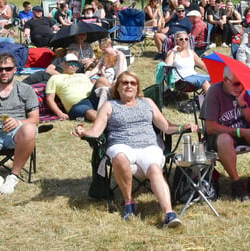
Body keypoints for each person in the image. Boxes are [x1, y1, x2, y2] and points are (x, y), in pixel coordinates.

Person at [72, 71, 194, 227]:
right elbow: (96, 131)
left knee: (155, 168)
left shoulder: (148, 102)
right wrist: (83, 133)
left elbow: (166, 126)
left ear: (137, 88)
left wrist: (184, 127)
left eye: (133, 83)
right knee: (120, 157)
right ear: (118, 87)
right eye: (125, 83)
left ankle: (169, 214)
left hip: (149, 145)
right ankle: (129, 203)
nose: (129, 86)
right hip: (121, 144)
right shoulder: (109, 105)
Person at [201, 66, 250, 201]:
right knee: (225, 140)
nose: (239, 87)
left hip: (244, 132)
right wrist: (241, 132)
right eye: (236, 83)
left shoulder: (245, 91)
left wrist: (243, 104)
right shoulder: (214, 92)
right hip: (221, 136)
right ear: (225, 80)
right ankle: (236, 183)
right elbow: (210, 128)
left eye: (242, 83)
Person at [0, 53, 39, 194]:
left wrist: (18, 122)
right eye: (0, 69)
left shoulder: (26, 90)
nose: (4, 72)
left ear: (15, 70)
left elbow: (35, 119)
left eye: (8, 68)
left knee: (29, 129)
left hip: (17, 134)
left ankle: (13, 176)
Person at [45, 53, 110, 121]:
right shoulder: (55, 78)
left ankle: (117, 105)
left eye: (76, 64)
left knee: (102, 80)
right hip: (77, 105)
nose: (73, 66)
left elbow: (93, 89)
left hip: (91, 99)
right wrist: (60, 114)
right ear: (63, 64)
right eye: (71, 63)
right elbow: (50, 99)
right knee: (90, 113)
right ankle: (108, 123)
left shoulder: (83, 75)